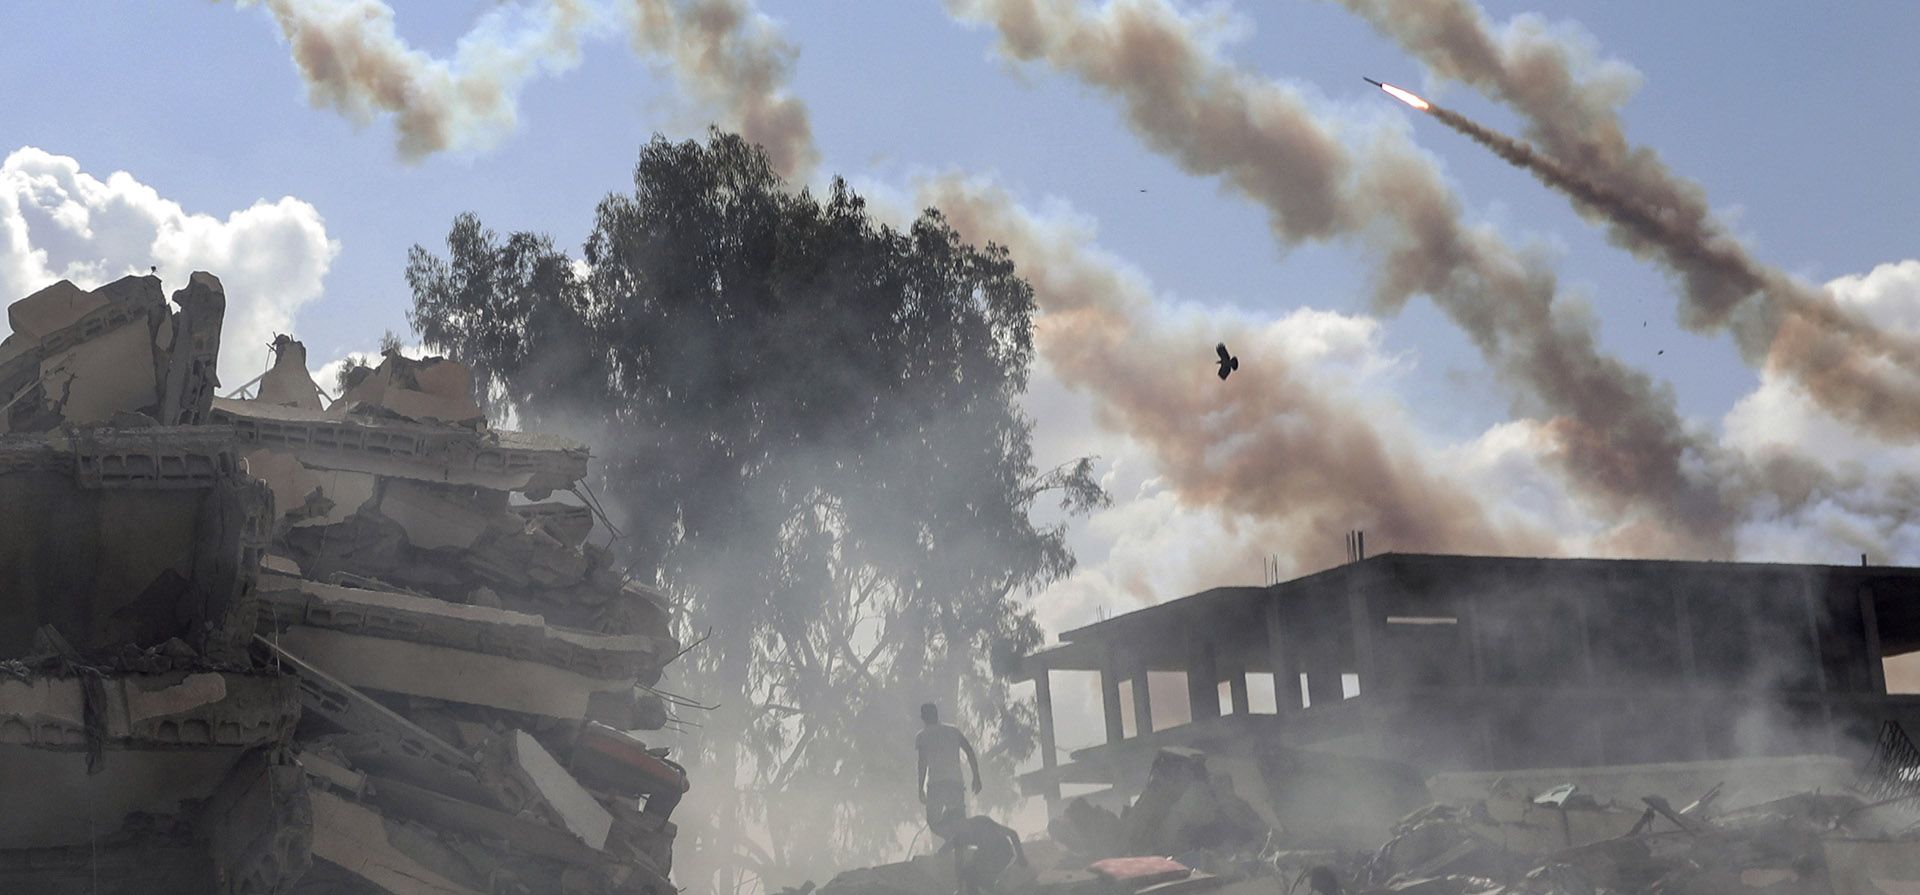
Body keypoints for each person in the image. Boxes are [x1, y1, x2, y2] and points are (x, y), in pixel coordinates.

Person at [916, 702, 981, 836]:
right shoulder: (953, 731)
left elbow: (922, 764)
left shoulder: (922, 736)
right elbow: (969, 751)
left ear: (923, 718)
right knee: (960, 821)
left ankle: (952, 839)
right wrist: (976, 776)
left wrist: (920, 788)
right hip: (955, 782)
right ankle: (959, 842)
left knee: (933, 822)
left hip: (936, 784)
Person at [939, 815, 1026, 895]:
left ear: (961, 820)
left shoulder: (981, 822)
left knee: (972, 874)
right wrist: (960, 887)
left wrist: (1021, 857)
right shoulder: (959, 838)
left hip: (1003, 853)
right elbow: (959, 863)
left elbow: (1012, 833)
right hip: (985, 856)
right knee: (969, 873)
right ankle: (994, 888)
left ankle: (995, 888)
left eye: (953, 826)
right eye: (951, 829)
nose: (953, 830)